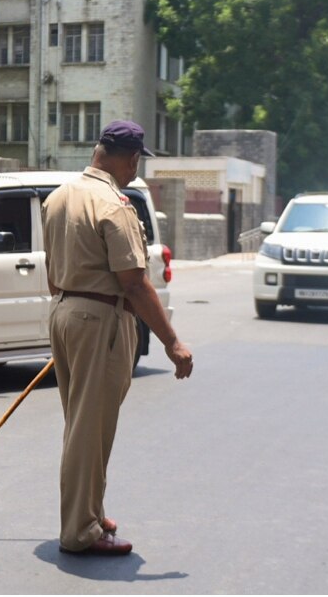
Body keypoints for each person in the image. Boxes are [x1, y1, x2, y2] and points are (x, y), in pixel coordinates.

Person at [41, 120, 194, 556]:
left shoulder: (58, 198)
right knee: (91, 428)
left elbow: (52, 272)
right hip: (100, 319)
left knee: (81, 424)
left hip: (65, 311)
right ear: (129, 159)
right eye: (135, 163)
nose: (133, 171)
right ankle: (80, 530)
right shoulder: (114, 204)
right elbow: (133, 282)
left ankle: (89, 510)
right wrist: (172, 342)